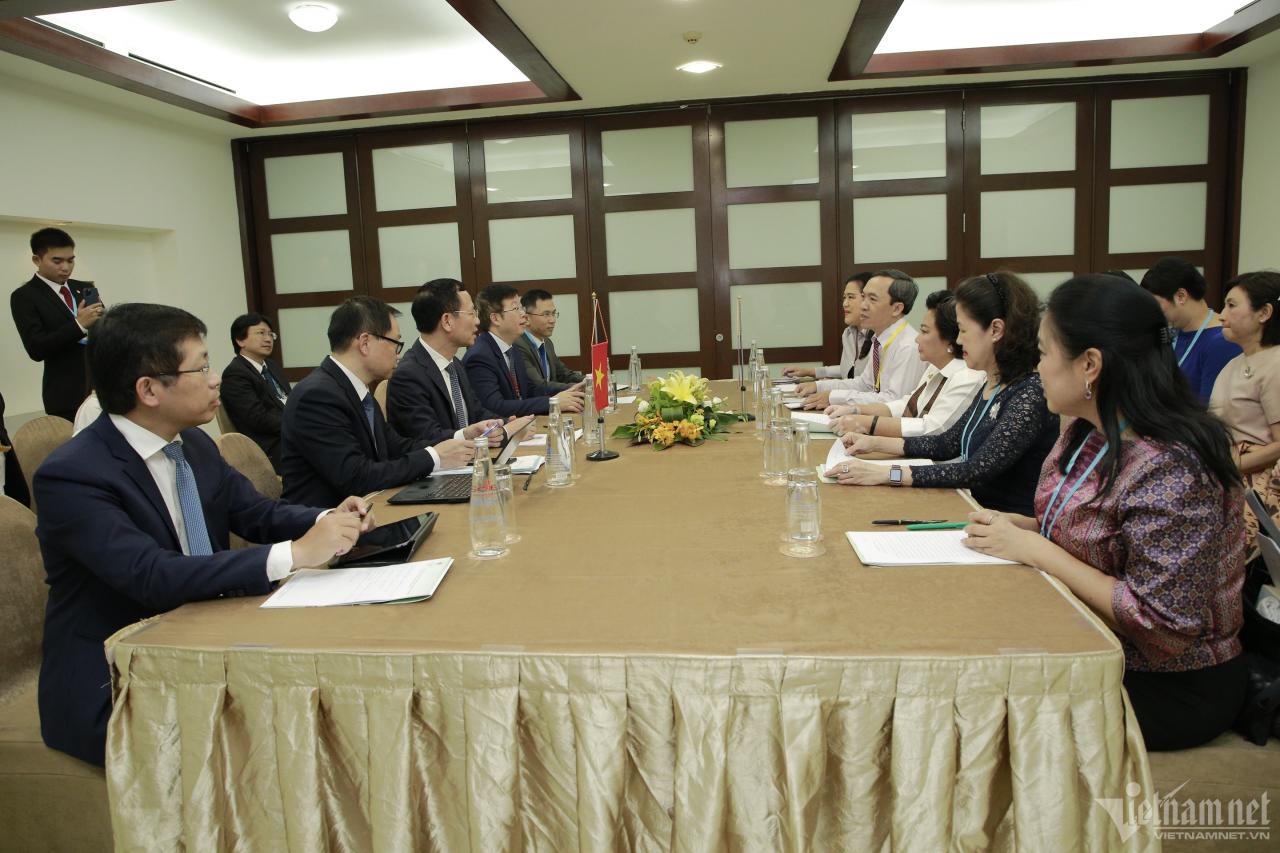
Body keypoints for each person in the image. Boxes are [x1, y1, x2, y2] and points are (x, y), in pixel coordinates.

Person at [34, 303, 371, 766]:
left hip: (208, 639)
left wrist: (329, 518)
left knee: (335, 694)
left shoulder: (191, 443)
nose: (216, 379)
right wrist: (293, 554)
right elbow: (150, 575)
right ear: (148, 389)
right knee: (282, 737)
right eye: (202, 366)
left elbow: (255, 512)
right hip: (122, 674)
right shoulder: (73, 476)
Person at [962, 275, 1246, 751]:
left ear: (1090, 364)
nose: (1039, 366)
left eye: (1045, 352)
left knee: (975, 709)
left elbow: (1163, 627)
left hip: (1165, 682)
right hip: (1082, 636)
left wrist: (1037, 550)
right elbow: (1095, 537)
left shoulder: (1175, 467)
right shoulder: (1087, 430)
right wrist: (1024, 529)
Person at [826, 272, 1057, 516]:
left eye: (963, 330)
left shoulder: (1028, 393)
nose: (958, 340)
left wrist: (887, 473)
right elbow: (947, 443)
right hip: (972, 512)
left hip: (1004, 529)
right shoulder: (996, 383)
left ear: (996, 330)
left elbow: (974, 470)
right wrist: (874, 442)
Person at [279, 297, 472, 508]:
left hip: (370, 510)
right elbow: (356, 477)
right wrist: (434, 456)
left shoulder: (356, 389)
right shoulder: (317, 396)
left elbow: (396, 446)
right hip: (328, 525)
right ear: (364, 343)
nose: (399, 355)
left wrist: (454, 445)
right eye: (395, 344)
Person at [826, 290, 984, 438]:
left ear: (951, 341)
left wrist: (869, 424)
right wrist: (856, 410)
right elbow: (907, 404)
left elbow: (931, 428)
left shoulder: (966, 377)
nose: (917, 339)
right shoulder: (935, 367)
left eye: (925, 331)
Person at [386, 279, 508, 445]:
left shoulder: (454, 364)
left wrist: (505, 423)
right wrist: (466, 435)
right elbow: (428, 438)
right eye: (472, 313)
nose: (478, 321)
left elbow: (476, 412)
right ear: (447, 321)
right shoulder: (408, 375)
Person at [1210, 271, 1280, 540]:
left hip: (1255, 488)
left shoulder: (1275, 364)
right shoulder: (1234, 363)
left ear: (1264, 313)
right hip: (1227, 474)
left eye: (1231, 305)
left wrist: (1230, 465)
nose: (1221, 315)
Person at [795, 269, 927, 410]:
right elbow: (864, 385)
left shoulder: (908, 346)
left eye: (872, 299)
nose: (863, 305)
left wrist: (834, 397)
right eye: (863, 297)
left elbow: (894, 402)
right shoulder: (878, 339)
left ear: (896, 309)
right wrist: (819, 386)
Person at [10, 228, 101, 421]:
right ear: (37, 260)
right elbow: (36, 348)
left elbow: (105, 331)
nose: (66, 267)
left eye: (71, 260)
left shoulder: (84, 288)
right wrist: (79, 325)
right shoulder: (24, 296)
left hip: (103, 385)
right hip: (65, 394)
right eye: (57, 261)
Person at [463, 284, 584, 417]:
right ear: (495, 318)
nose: (524, 315)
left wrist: (572, 390)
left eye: (521, 308)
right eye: (516, 308)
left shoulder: (511, 347)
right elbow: (496, 407)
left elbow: (531, 388)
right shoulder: (480, 356)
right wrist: (553, 402)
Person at [1140, 257, 1239, 404]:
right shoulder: (1173, 331)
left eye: (1155, 304)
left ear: (1181, 296)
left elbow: (1210, 409)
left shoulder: (1221, 340)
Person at [220, 313, 292, 467]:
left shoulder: (272, 366)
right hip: (270, 446)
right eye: (261, 333)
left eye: (270, 334)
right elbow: (258, 419)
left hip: (289, 435)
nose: (268, 339)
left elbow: (288, 401)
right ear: (240, 340)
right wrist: (297, 425)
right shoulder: (235, 374)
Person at [783, 272, 873, 382]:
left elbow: (866, 383)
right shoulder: (848, 334)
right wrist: (809, 372)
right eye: (844, 297)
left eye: (851, 297)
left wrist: (830, 388)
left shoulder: (879, 337)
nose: (845, 303)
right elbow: (850, 370)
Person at [513, 289, 584, 390]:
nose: (552, 320)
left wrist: (589, 380)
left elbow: (564, 375)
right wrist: (578, 387)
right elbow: (538, 385)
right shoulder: (518, 344)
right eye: (546, 314)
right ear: (526, 318)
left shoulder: (547, 343)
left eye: (553, 313)